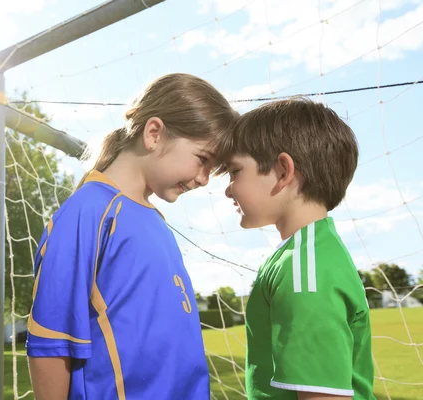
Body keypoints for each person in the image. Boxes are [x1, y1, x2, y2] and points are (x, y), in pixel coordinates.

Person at [26, 73, 238, 399]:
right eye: (203, 160)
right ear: (154, 133)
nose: (204, 179)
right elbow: (51, 343)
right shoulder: (88, 212)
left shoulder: (156, 221)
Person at [221, 98, 375, 399]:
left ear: (283, 171)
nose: (228, 189)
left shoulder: (306, 270)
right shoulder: (302, 253)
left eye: (235, 171)